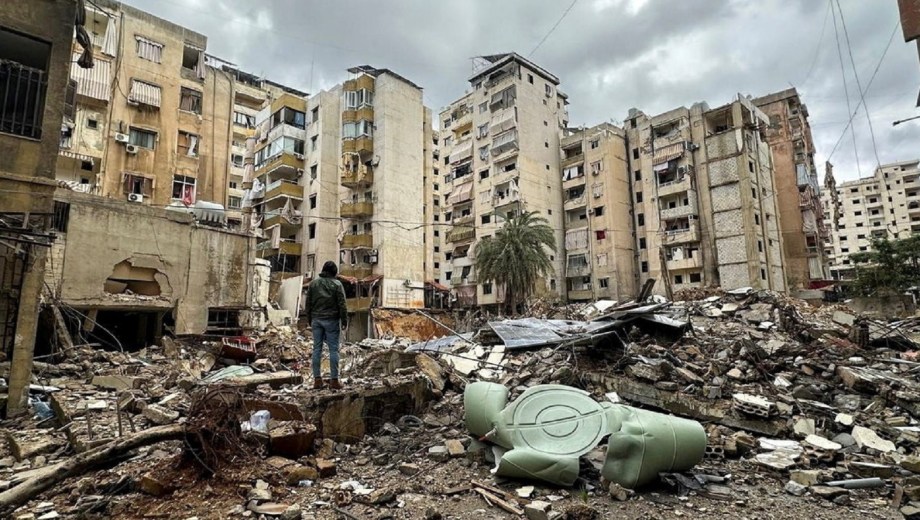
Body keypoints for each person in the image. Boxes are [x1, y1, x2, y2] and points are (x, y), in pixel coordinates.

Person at [304, 261, 348, 390]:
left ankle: (317, 380)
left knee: (317, 349)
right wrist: (344, 320)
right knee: (333, 350)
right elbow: (342, 304)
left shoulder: (313, 284)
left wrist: (309, 319)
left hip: (316, 320)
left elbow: (308, 304)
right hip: (332, 320)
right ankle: (334, 381)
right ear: (334, 272)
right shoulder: (337, 284)